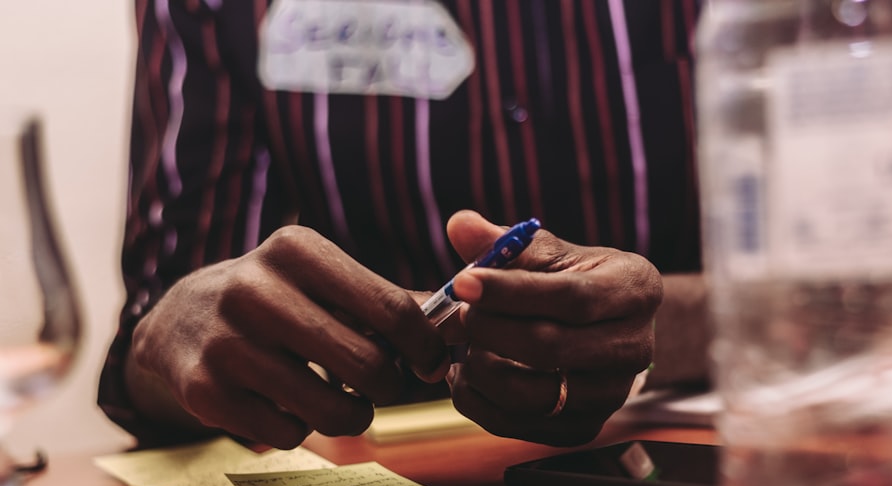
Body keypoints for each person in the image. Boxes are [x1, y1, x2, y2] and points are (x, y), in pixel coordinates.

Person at [99, 0, 708, 451]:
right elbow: (160, 345)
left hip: (700, 454)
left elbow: (805, 296)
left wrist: (659, 325)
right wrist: (179, 334)